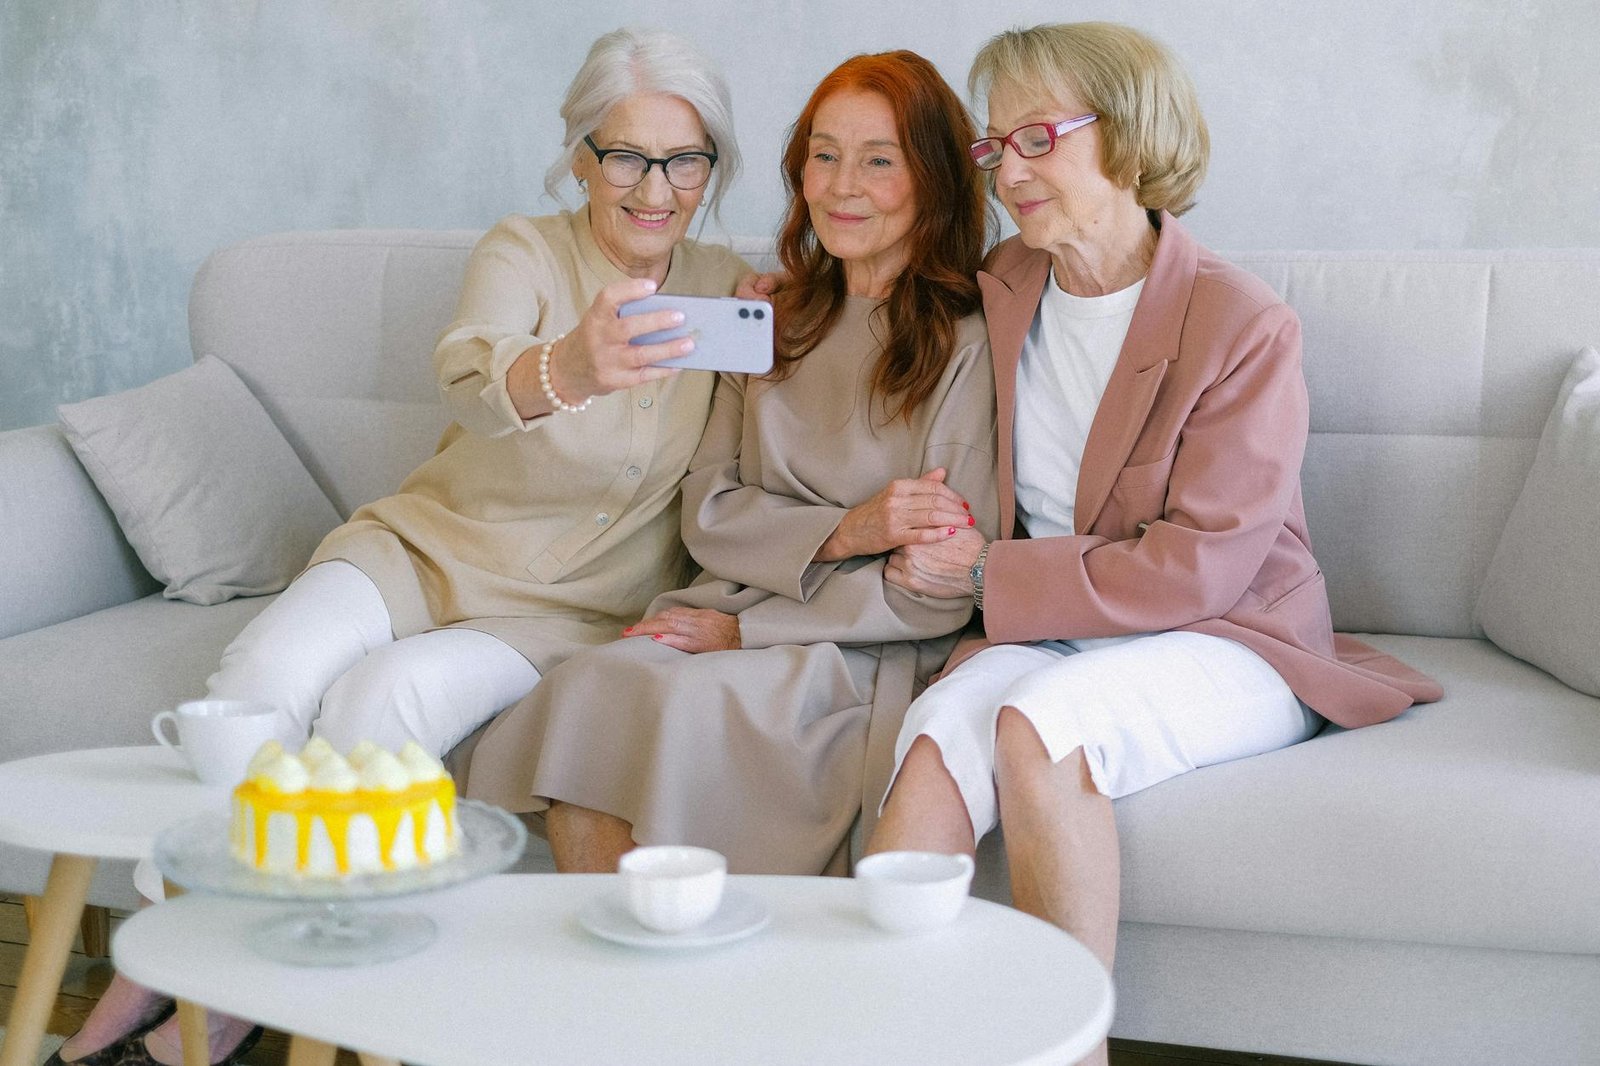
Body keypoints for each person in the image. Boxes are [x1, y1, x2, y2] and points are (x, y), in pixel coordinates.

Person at [46, 27, 750, 1066]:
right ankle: (166, 968)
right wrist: (574, 365)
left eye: (685, 159)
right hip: (418, 546)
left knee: (378, 712)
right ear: (581, 156)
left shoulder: (731, 290)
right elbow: (471, 372)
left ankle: (212, 1017)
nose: (656, 187)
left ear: (711, 168)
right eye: (626, 156)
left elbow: (789, 436)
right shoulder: (524, 247)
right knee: (261, 676)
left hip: (558, 609)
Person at [865, 23, 1442, 1066]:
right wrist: (777, 300)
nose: (1009, 171)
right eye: (998, 149)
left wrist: (993, 574)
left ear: (1126, 135)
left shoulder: (1240, 323)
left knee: (1038, 727)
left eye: (1037, 137)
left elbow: (1201, 565)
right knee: (935, 734)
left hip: (1229, 631)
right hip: (1065, 629)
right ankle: (890, 1042)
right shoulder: (1004, 285)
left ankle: (1071, 1056)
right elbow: (869, 292)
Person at [466, 49, 999, 877]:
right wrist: (850, 530)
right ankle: (631, 981)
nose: (842, 185)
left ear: (932, 178)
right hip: (726, 606)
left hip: (854, 649)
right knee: (590, 689)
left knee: (684, 701)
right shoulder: (766, 320)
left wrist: (748, 629)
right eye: (823, 155)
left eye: (879, 160)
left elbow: (927, 582)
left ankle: (680, 988)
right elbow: (710, 509)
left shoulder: (968, 344)